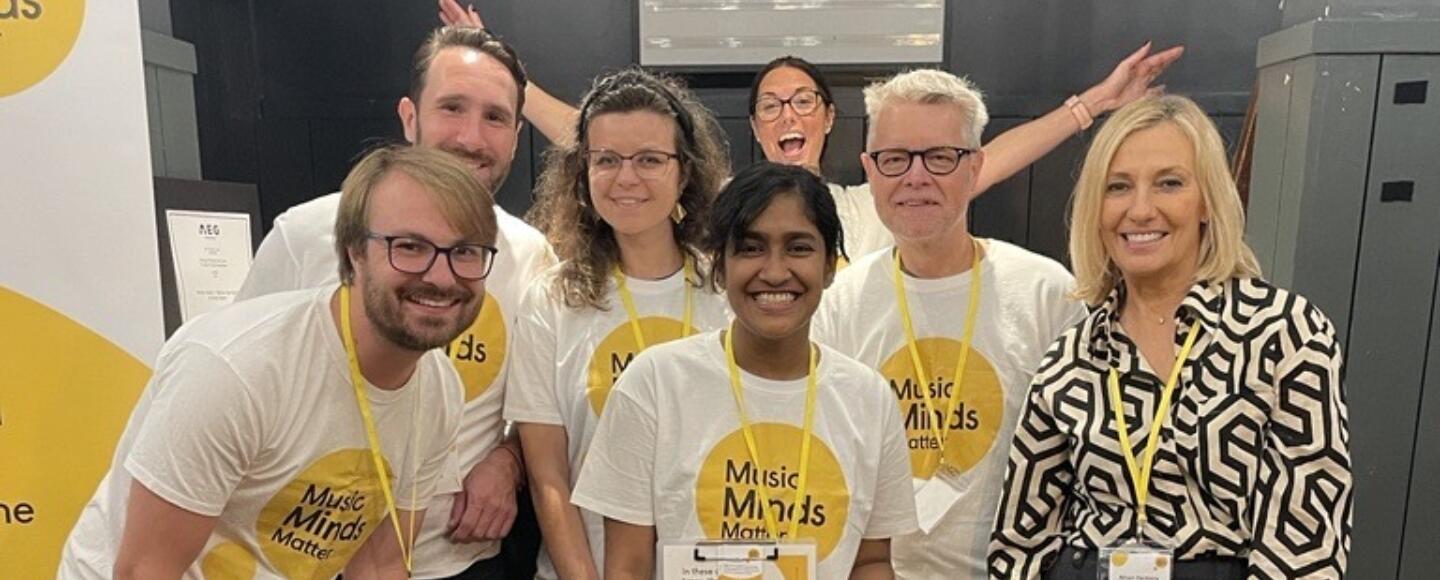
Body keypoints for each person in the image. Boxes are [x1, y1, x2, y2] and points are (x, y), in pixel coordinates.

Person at [438, 0, 1183, 260]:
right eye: (770, 104)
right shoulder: (714, 203)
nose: (787, 115)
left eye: (802, 102)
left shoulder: (877, 201)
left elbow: (984, 162)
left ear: (829, 120)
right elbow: (599, 139)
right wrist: (506, 76)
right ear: (755, 126)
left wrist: (1093, 104)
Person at [59, 145, 492, 579]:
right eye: (410, 246)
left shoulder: (439, 393)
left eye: (466, 252)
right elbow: (145, 570)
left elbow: (380, 564)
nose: (441, 276)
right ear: (352, 254)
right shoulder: (237, 369)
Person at [233, 27, 554, 579]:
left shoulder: (530, 256)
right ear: (410, 117)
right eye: (452, 107)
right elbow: (238, 382)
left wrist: (509, 462)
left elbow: (542, 404)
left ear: (516, 134)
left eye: (495, 117)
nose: (471, 137)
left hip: (456, 555)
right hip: (297, 555)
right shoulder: (306, 233)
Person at [988, 95, 1352, 579]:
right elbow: (1020, 538)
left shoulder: (1282, 332)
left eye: (1169, 183)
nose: (1140, 210)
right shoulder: (1073, 356)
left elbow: (1309, 538)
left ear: (1207, 201)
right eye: (1118, 187)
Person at [571, 162, 919, 579]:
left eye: (799, 247)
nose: (774, 271)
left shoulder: (870, 400)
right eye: (751, 248)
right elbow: (628, 567)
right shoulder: (654, 384)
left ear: (829, 267)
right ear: (720, 267)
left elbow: (872, 561)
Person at [809, 69, 1087, 579]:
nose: (916, 178)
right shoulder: (838, 306)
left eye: (940, 157)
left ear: (975, 166)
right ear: (871, 169)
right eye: (895, 158)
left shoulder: (1047, 293)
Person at [503, 68, 733, 580]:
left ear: (686, 172)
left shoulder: (727, 291)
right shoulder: (552, 299)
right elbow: (549, 479)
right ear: (582, 174)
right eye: (606, 160)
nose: (626, 178)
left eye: (650, 159)